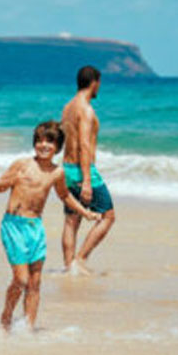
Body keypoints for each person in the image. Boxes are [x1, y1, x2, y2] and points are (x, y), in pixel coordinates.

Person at [0, 120, 99, 330]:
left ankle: (28, 327)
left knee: (35, 282)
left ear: (58, 147)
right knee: (21, 279)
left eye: (49, 142)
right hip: (14, 225)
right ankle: (6, 317)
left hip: (35, 228)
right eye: (40, 141)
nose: (44, 145)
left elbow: (65, 196)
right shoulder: (22, 164)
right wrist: (11, 180)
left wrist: (85, 212)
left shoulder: (57, 173)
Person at [60, 65, 116, 274]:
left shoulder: (67, 107)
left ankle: (69, 267)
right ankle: (80, 260)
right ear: (94, 82)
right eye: (99, 83)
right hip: (83, 171)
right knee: (108, 216)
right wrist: (86, 181)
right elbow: (84, 144)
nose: (99, 87)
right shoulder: (86, 109)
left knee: (71, 220)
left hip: (67, 169)